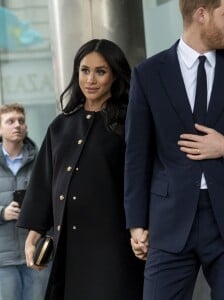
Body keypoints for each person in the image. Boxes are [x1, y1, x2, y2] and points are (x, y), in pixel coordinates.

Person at [124, 0, 224, 299]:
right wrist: (136, 224)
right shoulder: (148, 74)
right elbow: (136, 155)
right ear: (201, 15)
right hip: (168, 221)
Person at [17, 39, 144, 300]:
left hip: (114, 245)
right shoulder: (60, 126)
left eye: (101, 71)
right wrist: (33, 236)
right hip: (70, 248)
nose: (91, 79)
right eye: (84, 70)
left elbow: (142, 179)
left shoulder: (129, 123)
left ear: (115, 75)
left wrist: (143, 227)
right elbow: (44, 183)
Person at [0, 103, 49, 300]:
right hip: (3, 259)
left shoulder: (41, 160)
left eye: (21, 121)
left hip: (36, 254)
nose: (17, 125)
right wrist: (2, 212)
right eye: (10, 121)